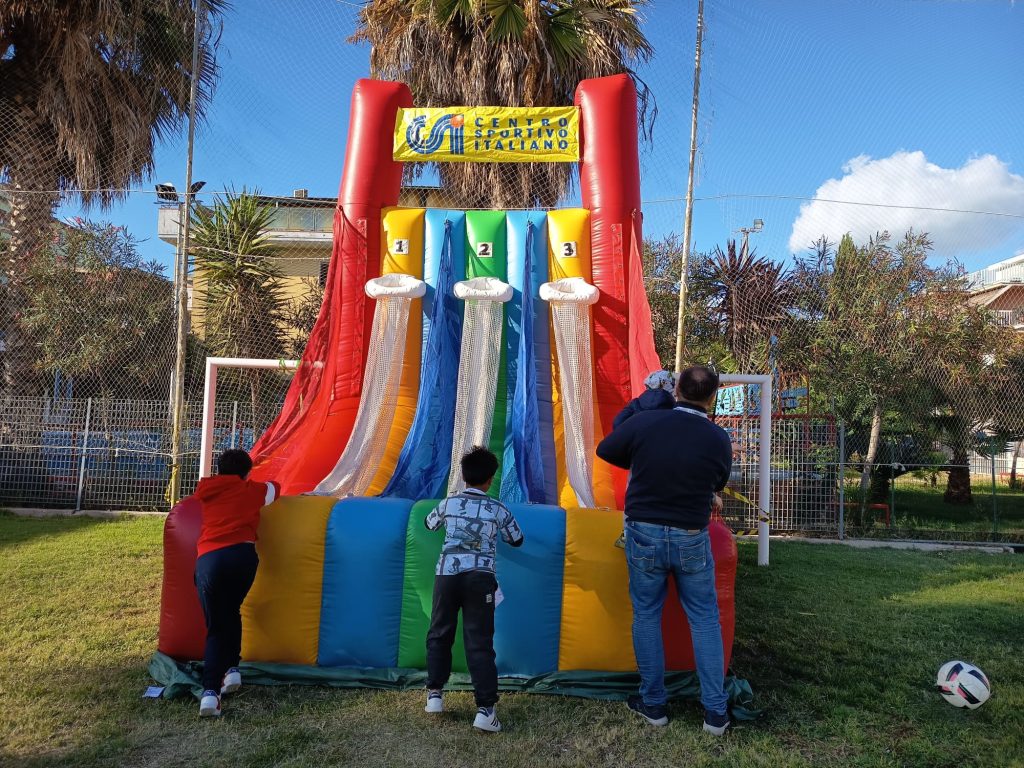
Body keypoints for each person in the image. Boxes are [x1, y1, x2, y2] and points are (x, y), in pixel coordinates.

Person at [595, 365, 733, 736]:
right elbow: (718, 480)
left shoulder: (647, 422)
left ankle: (654, 704)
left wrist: (642, 406)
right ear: (712, 397)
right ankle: (715, 713)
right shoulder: (718, 438)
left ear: (676, 391)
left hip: (644, 534)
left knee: (646, 615)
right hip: (691, 536)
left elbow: (607, 447)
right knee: (704, 619)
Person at [423, 447, 524, 733]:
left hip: (447, 575)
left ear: (464, 476)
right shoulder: (498, 509)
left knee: (439, 632)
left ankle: (434, 694)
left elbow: (429, 524)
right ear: (490, 480)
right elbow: (516, 539)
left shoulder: (449, 503)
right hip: (480, 578)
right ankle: (485, 710)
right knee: (479, 641)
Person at [193, 449, 280, 718]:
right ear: (246, 472)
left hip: (210, 559)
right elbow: (275, 489)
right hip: (243, 556)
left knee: (216, 626)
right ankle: (232, 669)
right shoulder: (251, 490)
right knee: (232, 611)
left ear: (219, 469)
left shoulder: (206, 490)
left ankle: (210, 692)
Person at [612, 370, 678, 548]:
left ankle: (628, 533)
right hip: (665, 457)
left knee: (634, 492)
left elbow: (617, 423)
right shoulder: (673, 407)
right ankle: (662, 533)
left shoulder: (636, 404)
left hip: (640, 456)